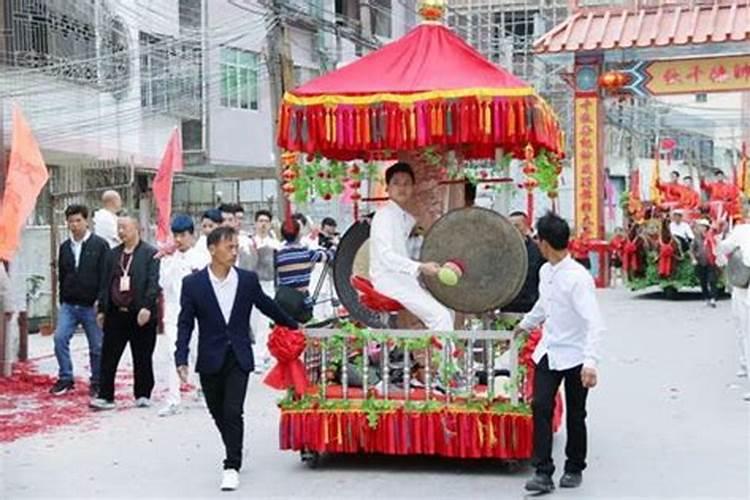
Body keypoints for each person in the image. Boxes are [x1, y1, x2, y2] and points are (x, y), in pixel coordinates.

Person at [175, 226, 298, 491]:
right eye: (229, 247)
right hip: (209, 358)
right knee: (217, 411)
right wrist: (180, 357)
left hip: (239, 356)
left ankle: (231, 464)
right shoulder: (193, 285)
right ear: (212, 250)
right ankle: (235, 444)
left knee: (233, 410)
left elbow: (267, 305)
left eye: (235, 247)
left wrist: (293, 325)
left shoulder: (246, 280)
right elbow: (185, 323)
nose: (234, 252)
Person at [514, 212, 604, 494]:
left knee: (577, 413)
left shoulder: (578, 279)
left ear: (544, 243)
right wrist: (525, 325)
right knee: (540, 406)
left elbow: (594, 322)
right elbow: (543, 304)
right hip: (550, 351)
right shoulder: (546, 271)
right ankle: (543, 471)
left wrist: (590, 362)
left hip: (576, 356)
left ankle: (575, 466)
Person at [369, 162, 453, 331]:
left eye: (407, 183)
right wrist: (420, 267)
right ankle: (446, 358)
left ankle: (439, 355)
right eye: (396, 183)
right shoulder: (384, 216)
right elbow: (386, 256)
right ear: (387, 188)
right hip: (389, 280)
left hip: (404, 279)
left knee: (448, 311)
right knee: (440, 316)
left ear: (413, 188)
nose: (402, 188)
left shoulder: (407, 218)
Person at [90, 216, 160, 410]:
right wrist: (102, 309)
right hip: (116, 313)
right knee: (109, 356)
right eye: (119, 227)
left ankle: (143, 394)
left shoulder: (150, 254)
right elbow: (105, 283)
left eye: (125, 227)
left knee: (142, 356)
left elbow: (153, 284)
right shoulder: (112, 255)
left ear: (137, 228)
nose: (121, 231)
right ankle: (105, 395)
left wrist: (147, 306)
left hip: (139, 313)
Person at [49, 205, 111, 397]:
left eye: (78, 221)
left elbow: (105, 276)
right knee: (60, 338)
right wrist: (62, 299)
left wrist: (101, 303)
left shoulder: (99, 245)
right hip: (69, 303)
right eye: (71, 221)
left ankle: (97, 381)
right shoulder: (65, 247)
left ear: (87, 221)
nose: (74, 225)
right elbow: (63, 275)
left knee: (97, 345)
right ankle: (66, 377)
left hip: (91, 304)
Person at [157, 214, 203, 417]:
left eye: (183, 235)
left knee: (197, 352)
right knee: (172, 354)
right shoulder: (167, 258)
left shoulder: (202, 256)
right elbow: (163, 284)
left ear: (191, 235)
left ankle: (203, 390)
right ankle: (173, 399)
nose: (178, 240)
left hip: (197, 315)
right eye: (175, 235)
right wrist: (170, 260)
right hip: (174, 314)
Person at [275, 220, 334, 323]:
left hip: (283, 301)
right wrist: (333, 246)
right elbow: (328, 256)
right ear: (298, 234)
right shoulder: (306, 253)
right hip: (302, 302)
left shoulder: (278, 255)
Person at [717, 220, 750, 401]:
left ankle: (745, 363)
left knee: (747, 336)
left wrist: (720, 237)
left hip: (745, 292)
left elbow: (722, 251)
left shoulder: (742, 230)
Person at [249, 209, 281, 370]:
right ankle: (258, 352)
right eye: (260, 221)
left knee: (263, 321)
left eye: (266, 221)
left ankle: (259, 357)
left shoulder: (274, 244)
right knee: (253, 321)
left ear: (270, 224)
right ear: (255, 223)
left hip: (267, 285)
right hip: (251, 285)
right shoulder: (249, 242)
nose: (263, 224)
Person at [504, 211, 545, 313]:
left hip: (532, 306)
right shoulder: (502, 252)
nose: (514, 229)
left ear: (526, 227)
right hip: (508, 305)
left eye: (517, 225)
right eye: (510, 226)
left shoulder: (538, 250)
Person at [691, 219, 719, 308]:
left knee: (712, 280)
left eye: (703, 226)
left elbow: (717, 247)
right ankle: (706, 298)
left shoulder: (711, 237)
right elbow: (691, 250)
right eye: (700, 226)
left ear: (706, 228)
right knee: (703, 281)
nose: (702, 228)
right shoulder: (696, 238)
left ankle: (713, 298)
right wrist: (694, 259)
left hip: (711, 262)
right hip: (700, 262)